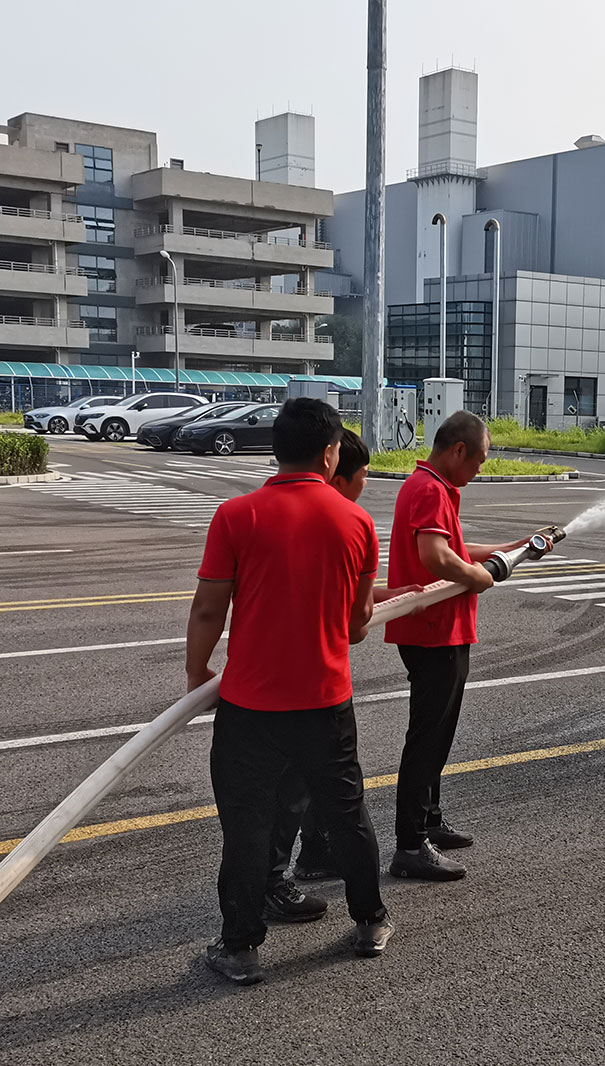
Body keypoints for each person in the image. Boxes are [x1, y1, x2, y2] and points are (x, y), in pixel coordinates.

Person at [185, 398, 392, 985]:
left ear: (277, 450)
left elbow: (209, 609)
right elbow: (356, 626)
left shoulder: (236, 515)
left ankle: (241, 948)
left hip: (249, 706)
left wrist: (197, 673)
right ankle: (370, 922)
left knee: (247, 825)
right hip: (325, 702)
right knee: (346, 814)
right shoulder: (356, 523)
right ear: (330, 455)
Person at [384, 410, 548, 882]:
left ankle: (430, 820)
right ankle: (411, 844)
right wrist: (479, 578)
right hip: (435, 631)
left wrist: (510, 547)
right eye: (479, 461)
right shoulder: (430, 490)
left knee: (437, 734)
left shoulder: (429, 485)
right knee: (427, 737)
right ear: (458, 450)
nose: (479, 470)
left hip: (437, 630)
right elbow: (436, 557)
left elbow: (451, 547)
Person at [269, 429, 422, 884]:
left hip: (296, 679)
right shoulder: (339, 524)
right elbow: (353, 622)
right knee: (302, 782)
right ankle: (280, 879)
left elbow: (344, 595)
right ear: (335, 472)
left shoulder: (290, 515)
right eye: (364, 476)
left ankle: (316, 853)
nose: (366, 485)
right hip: (307, 684)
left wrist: (397, 595)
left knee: (311, 779)